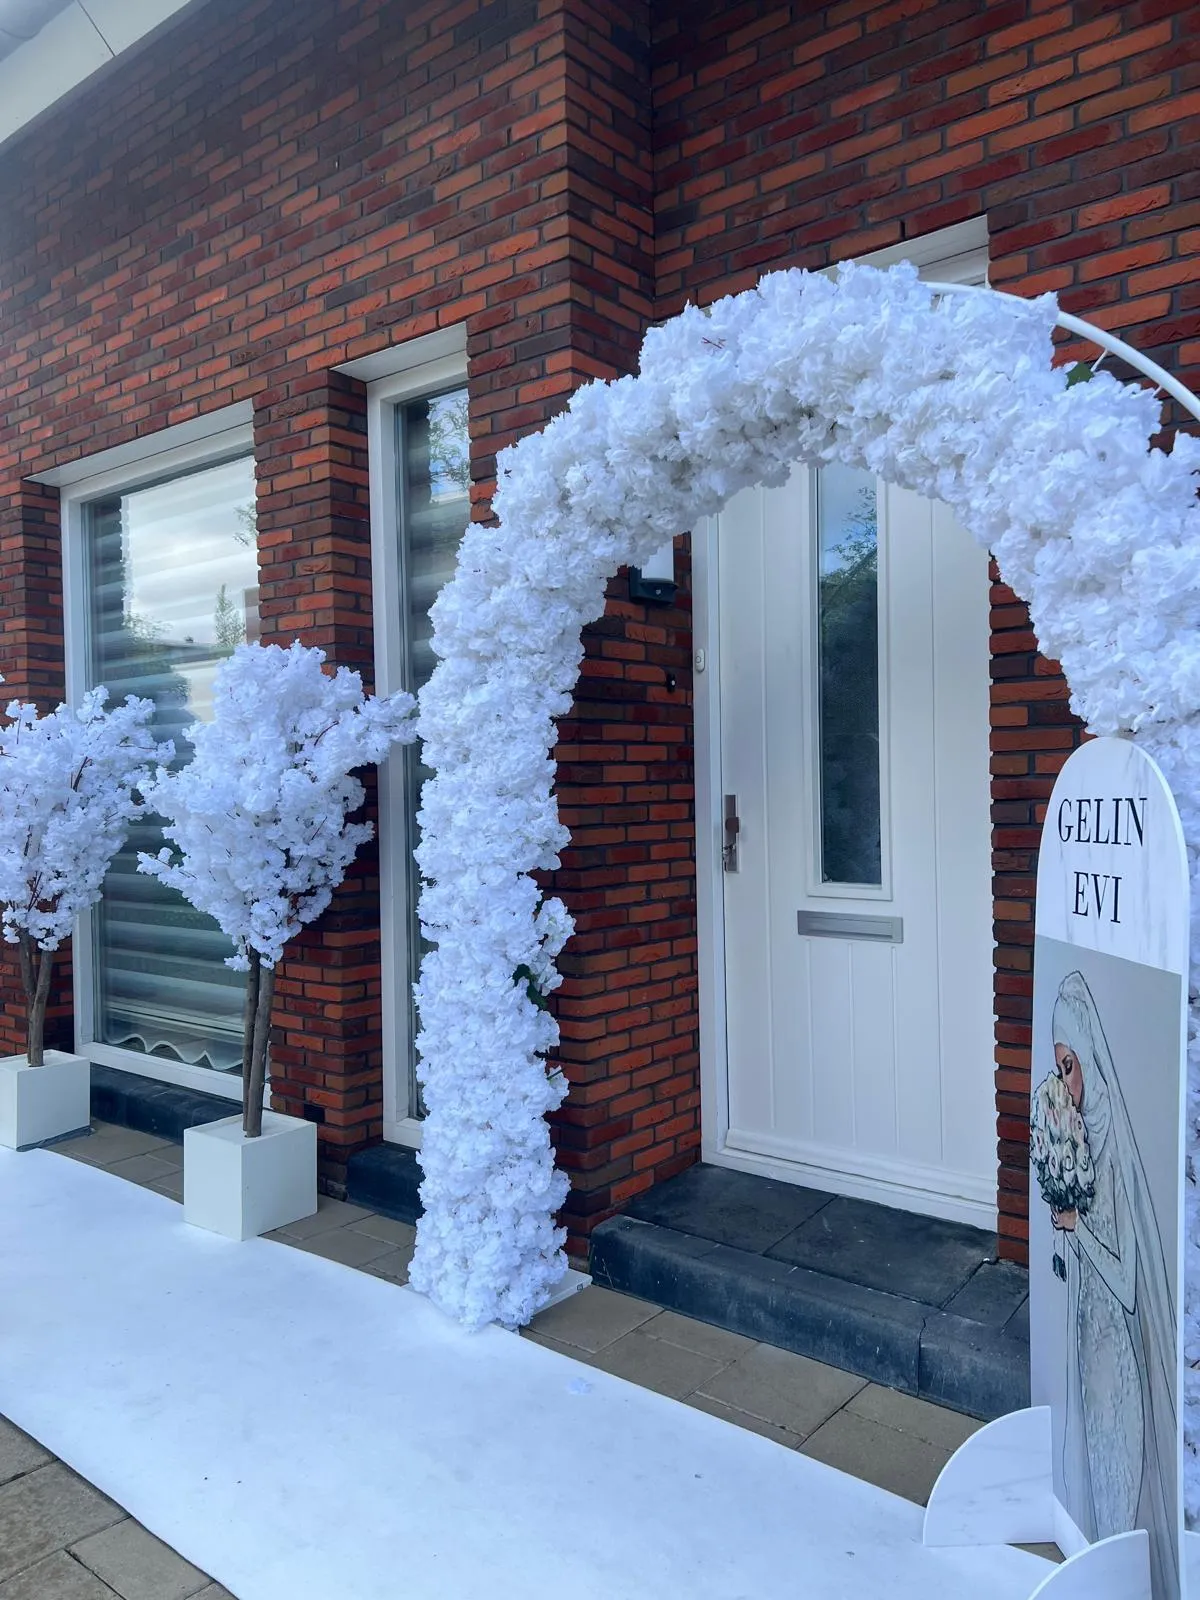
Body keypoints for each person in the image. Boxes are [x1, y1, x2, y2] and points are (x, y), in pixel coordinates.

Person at [1049, 969, 1179, 1599]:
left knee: (1120, 1484)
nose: (1065, 1084)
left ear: (1090, 1059)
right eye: (1059, 1069)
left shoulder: (1114, 1147)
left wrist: (1077, 1226)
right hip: (1088, 1341)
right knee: (1098, 1485)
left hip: (1118, 1358)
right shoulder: (1072, 1134)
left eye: (1070, 1066)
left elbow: (1129, 1283)